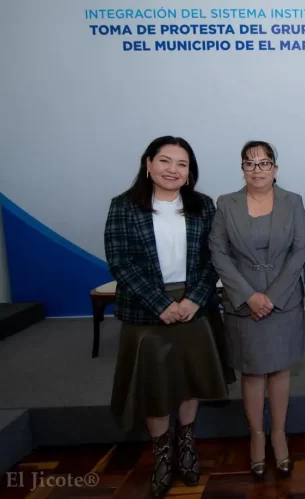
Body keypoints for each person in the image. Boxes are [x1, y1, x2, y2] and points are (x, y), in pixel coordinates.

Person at [104, 136, 228, 498]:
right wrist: (160, 304)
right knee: (155, 385)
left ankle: (186, 443)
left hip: (193, 307)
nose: (173, 170)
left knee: (190, 378)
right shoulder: (124, 206)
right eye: (165, 161)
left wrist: (194, 300)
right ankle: (161, 453)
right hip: (147, 310)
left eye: (182, 164)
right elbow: (120, 262)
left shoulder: (203, 206)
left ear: (190, 172)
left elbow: (213, 258)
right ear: (148, 164)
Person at [209, 140, 305, 478]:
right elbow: (219, 253)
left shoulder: (293, 202)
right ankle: (256, 435)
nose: (257, 169)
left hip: (283, 301)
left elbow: (300, 250)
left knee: (279, 370)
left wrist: (272, 296)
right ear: (242, 169)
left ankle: (278, 434)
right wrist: (249, 296)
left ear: (275, 169)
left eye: (264, 163)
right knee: (252, 372)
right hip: (243, 303)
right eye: (250, 163)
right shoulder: (226, 204)